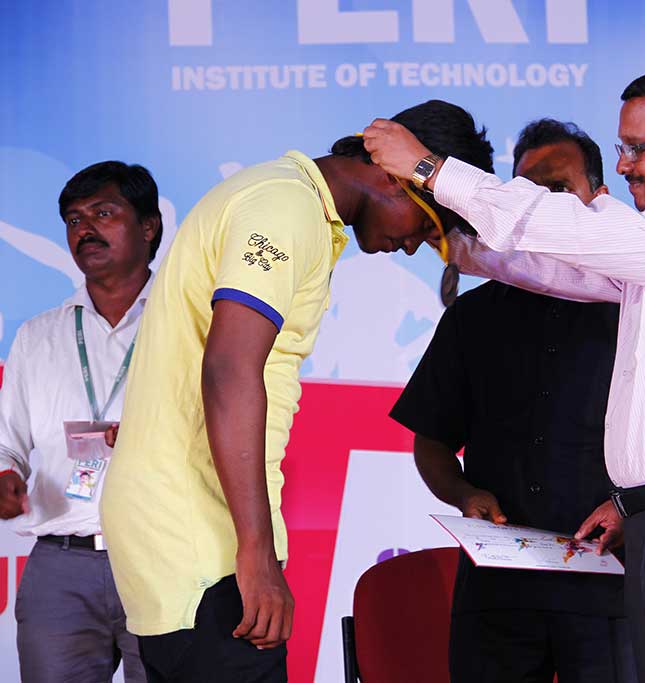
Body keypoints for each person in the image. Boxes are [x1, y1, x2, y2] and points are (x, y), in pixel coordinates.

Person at [364, 66, 645, 682]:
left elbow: (571, 230)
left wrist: (431, 169)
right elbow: (557, 268)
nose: (625, 166)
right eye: (622, 148)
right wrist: (452, 243)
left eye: (638, 147)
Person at [99, 100, 494, 682]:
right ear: (394, 173)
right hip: (202, 539)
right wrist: (256, 554)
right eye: (427, 227)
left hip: (187, 529)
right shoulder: (285, 208)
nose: (415, 247)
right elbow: (230, 369)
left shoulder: (287, 200)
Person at [390, 119, 637, 683]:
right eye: (527, 190)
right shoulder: (474, 315)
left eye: (559, 188)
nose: (541, 204)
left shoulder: (639, 310)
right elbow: (432, 439)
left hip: (611, 591)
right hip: (496, 593)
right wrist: (463, 493)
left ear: (598, 197)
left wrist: (631, 508)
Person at [0, 160, 162, 682]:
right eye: (73, 220)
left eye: (103, 213)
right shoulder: (37, 336)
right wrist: (5, 476)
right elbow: (7, 443)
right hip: (61, 565)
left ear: (148, 226)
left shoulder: (191, 324)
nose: (84, 229)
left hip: (163, 557)